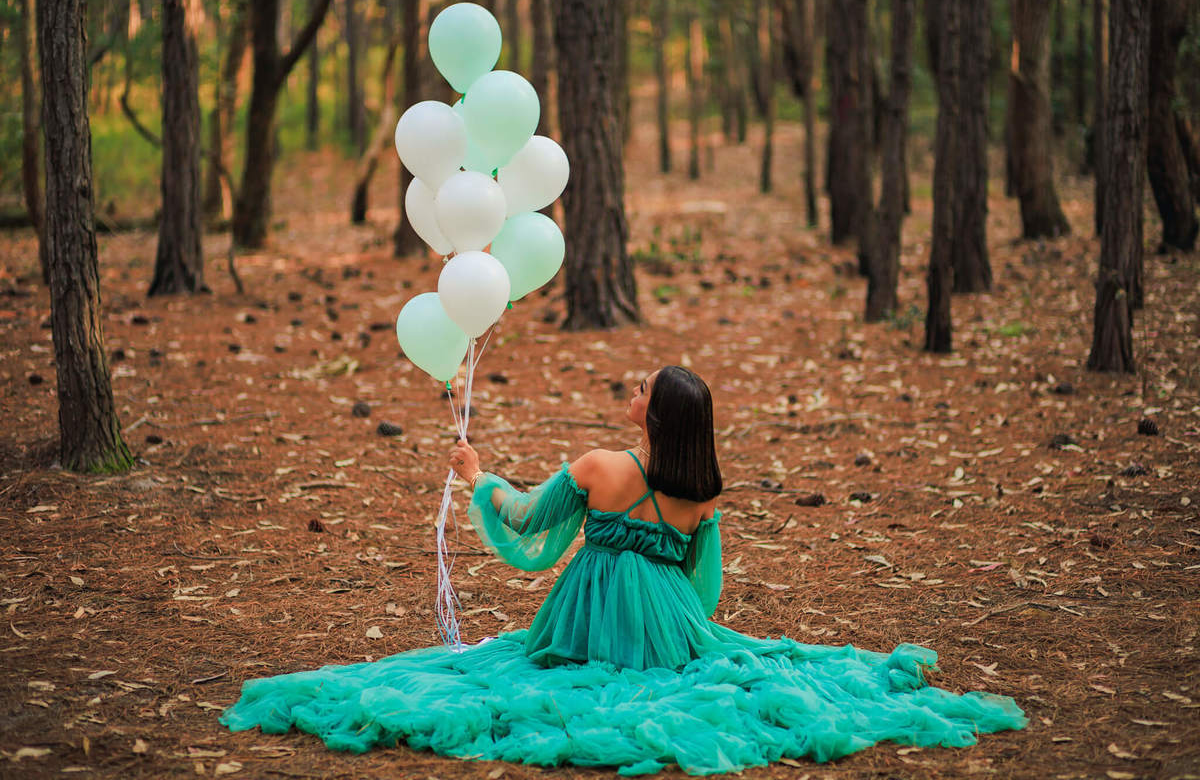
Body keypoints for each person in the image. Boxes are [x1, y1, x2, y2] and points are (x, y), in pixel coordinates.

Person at [221, 366, 1026, 775]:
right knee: (690, 675)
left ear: (654, 414)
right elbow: (704, 588)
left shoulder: (601, 467)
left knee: (519, 681)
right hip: (669, 624)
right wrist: (678, 620)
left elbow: (526, 521)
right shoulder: (702, 494)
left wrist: (478, 476)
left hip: (585, 619)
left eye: (642, 389)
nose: (632, 391)